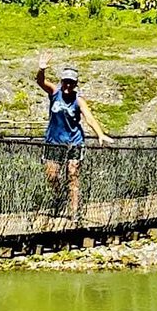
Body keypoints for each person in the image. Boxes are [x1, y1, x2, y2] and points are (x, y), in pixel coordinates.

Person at [36, 54, 112, 217]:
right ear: (61, 81)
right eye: (65, 81)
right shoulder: (55, 93)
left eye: (71, 82)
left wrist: (100, 134)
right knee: (51, 175)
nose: (68, 85)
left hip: (74, 142)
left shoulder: (79, 100)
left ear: (76, 84)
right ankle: (61, 198)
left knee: (73, 174)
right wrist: (41, 68)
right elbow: (40, 82)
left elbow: (89, 118)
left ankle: (74, 212)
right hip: (53, 142)